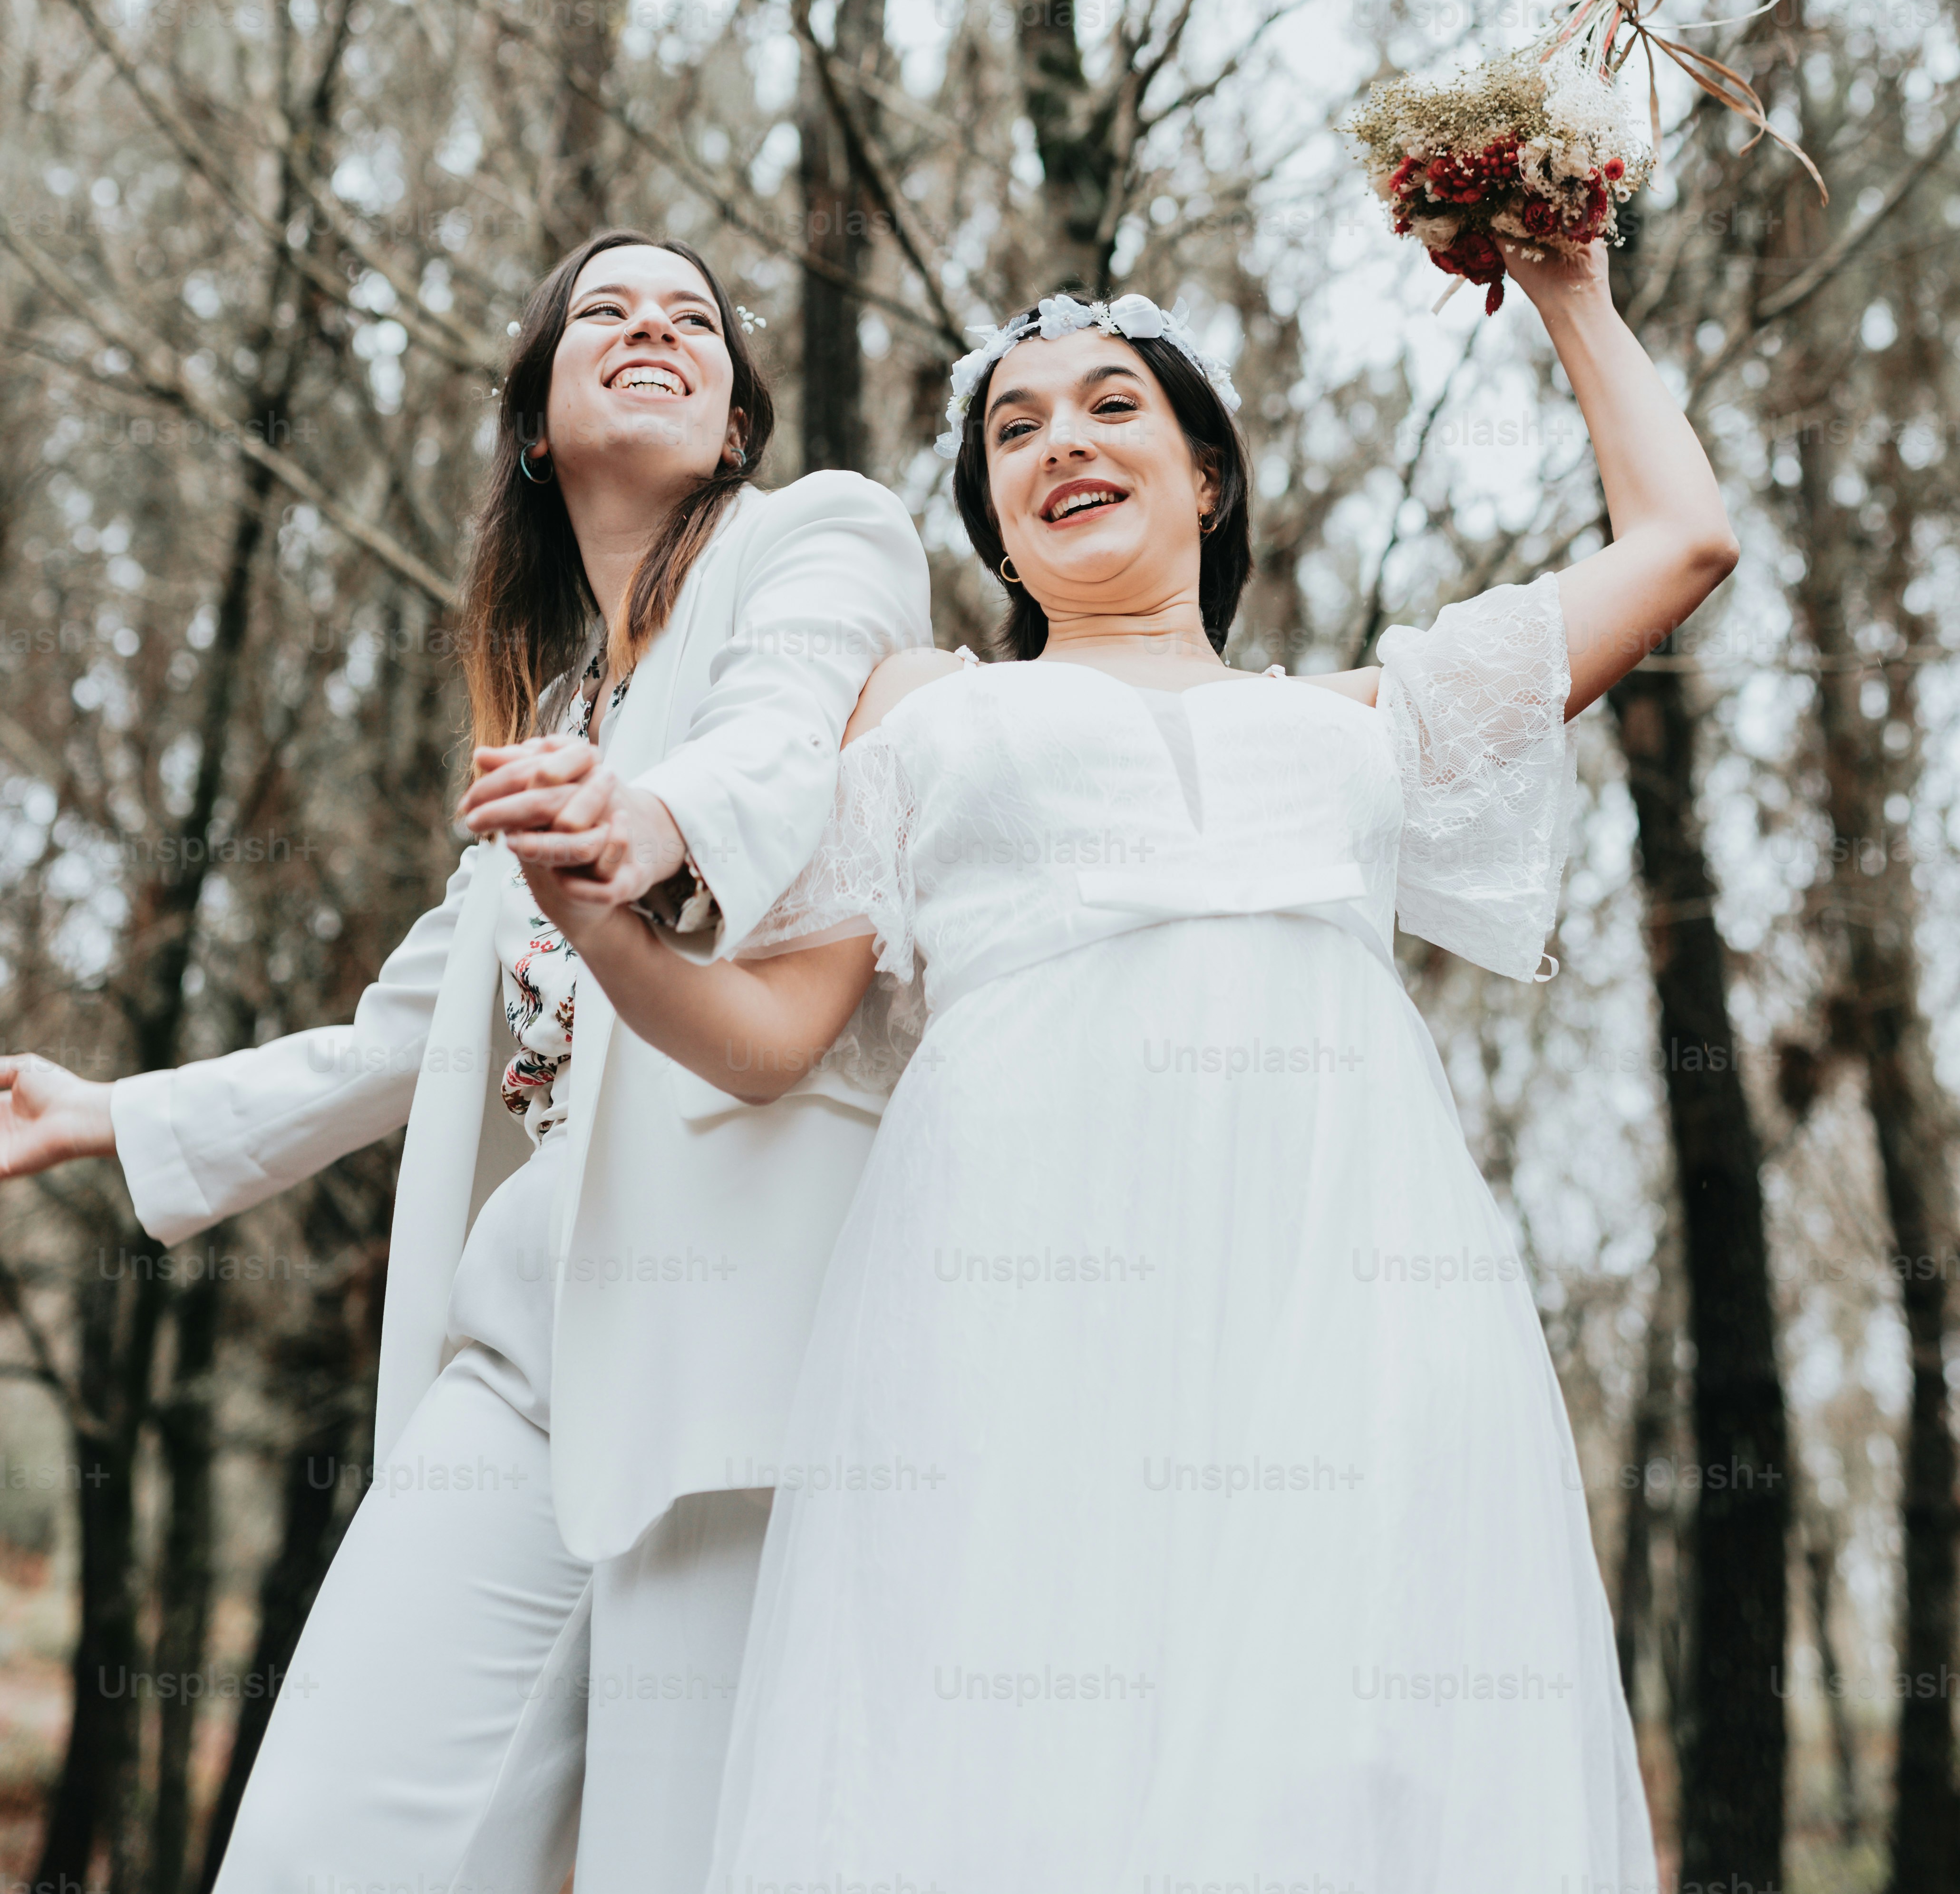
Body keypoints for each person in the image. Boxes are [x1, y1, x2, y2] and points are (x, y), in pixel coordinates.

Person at [523, 240, 1730, 1890]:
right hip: (1017, 1294)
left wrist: (1569, 284)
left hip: (1348, 1295)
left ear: (1206, 474)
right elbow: (767, 1039)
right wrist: (604, 928)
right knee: (1026, 1728)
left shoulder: (1361, 721)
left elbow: (1680, 541)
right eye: (1013, 432)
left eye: (1111, 406)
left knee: (1346, 1732)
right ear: (993, 518)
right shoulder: (926, 711)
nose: (1062, 443)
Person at [0, 229, 931, 1894]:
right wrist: (116, 1111)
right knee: (311, 1851)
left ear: (732, 424)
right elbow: (401, 1033)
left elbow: (783, 728)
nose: (652, 326)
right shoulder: (555, 709)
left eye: (692, 319)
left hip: (739, 1365)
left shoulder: (821, 537)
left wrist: (652, 823)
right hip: (516, 1357)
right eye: (605, 312)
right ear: (533, 420)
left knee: (679, 1857)